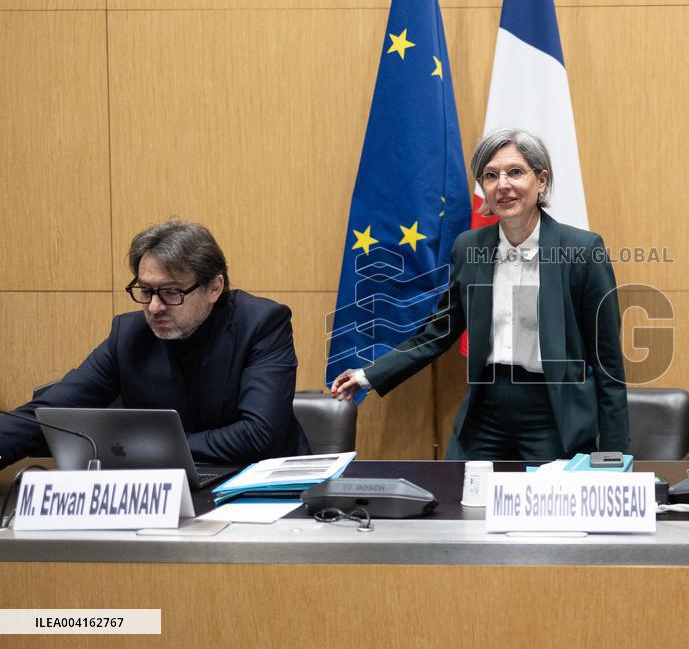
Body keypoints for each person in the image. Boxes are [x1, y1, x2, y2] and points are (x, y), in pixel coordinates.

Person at [332, 128, 628, 459]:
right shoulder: (469, 248)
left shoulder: (583, 250)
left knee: (548, 507)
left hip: (553, 414)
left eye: (515, 172)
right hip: (485, 413)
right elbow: (438, 332)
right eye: (490, 175)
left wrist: (615, 459)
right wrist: (369, 376)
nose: (503, 184)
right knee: (458, 500)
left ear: (541, 181)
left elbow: (609, 364)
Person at [0, 219, 311, 466]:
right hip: (173, 493)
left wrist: (152, 448)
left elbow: (259, 434)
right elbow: (48, 412)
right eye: (146, 291)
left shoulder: (261, 323)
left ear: (214, 288)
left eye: (172, 292)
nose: (154, 307)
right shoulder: (129, 336)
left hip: (263, 490)